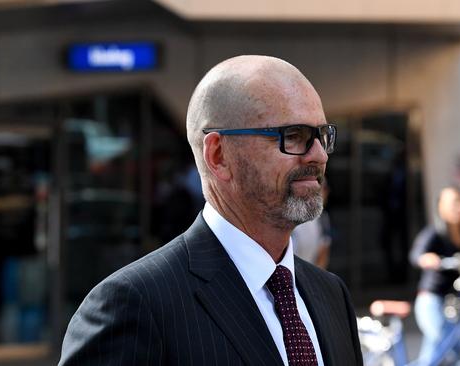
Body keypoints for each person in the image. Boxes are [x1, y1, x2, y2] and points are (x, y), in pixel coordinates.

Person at [59, 55, 363, 365]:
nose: (318, 155)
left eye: (322, 136)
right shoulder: (137, 304)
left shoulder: (330, 295)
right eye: (294, 136)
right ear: (218, 155)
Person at [409, 186, 460, 365]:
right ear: (441, 207)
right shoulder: (434, 233)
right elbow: (416, 255)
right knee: (452, 345)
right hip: (432, 301)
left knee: (440, 353)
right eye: (454, 203)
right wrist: (428, 259)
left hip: (457, 303)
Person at [292, 178, 332, 268]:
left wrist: (313, 279)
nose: (325, 193)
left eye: (324, 189)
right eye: (321, 189)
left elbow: (323, 253)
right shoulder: (291, 215)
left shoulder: (323, 218)